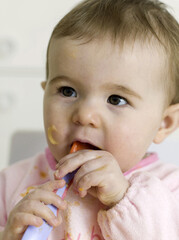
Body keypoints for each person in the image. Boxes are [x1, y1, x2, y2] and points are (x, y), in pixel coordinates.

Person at [0, 0, 179, 239]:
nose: (84, 115)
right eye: (67, 91)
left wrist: (122, 199)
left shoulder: (170, 189)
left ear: (164, 123)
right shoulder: (11, 182)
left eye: (116, 99)